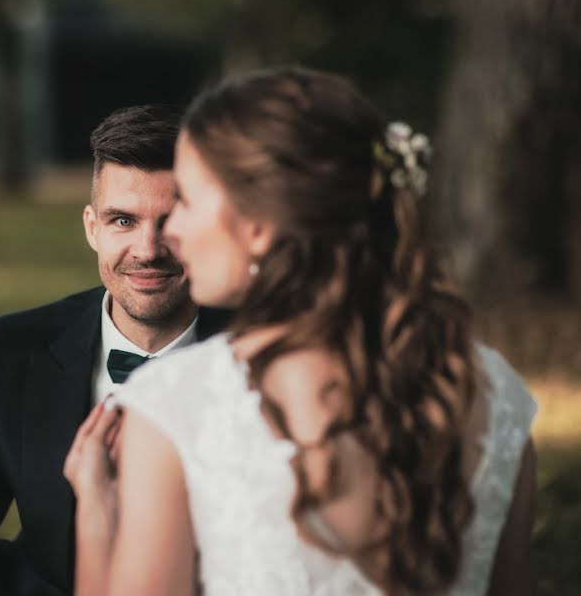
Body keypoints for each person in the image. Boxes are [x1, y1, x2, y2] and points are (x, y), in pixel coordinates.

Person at [64, 68, 537, 595]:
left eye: (187, 204)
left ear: (259, 226)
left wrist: (97, 514)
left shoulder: (182, 405)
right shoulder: (496, 398)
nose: (166, 237)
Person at [0, 104, 229, 596]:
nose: (148, 249)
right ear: (92, 228)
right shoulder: (5, 356)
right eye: (123, 221)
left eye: (170, 221)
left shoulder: (267, 357)